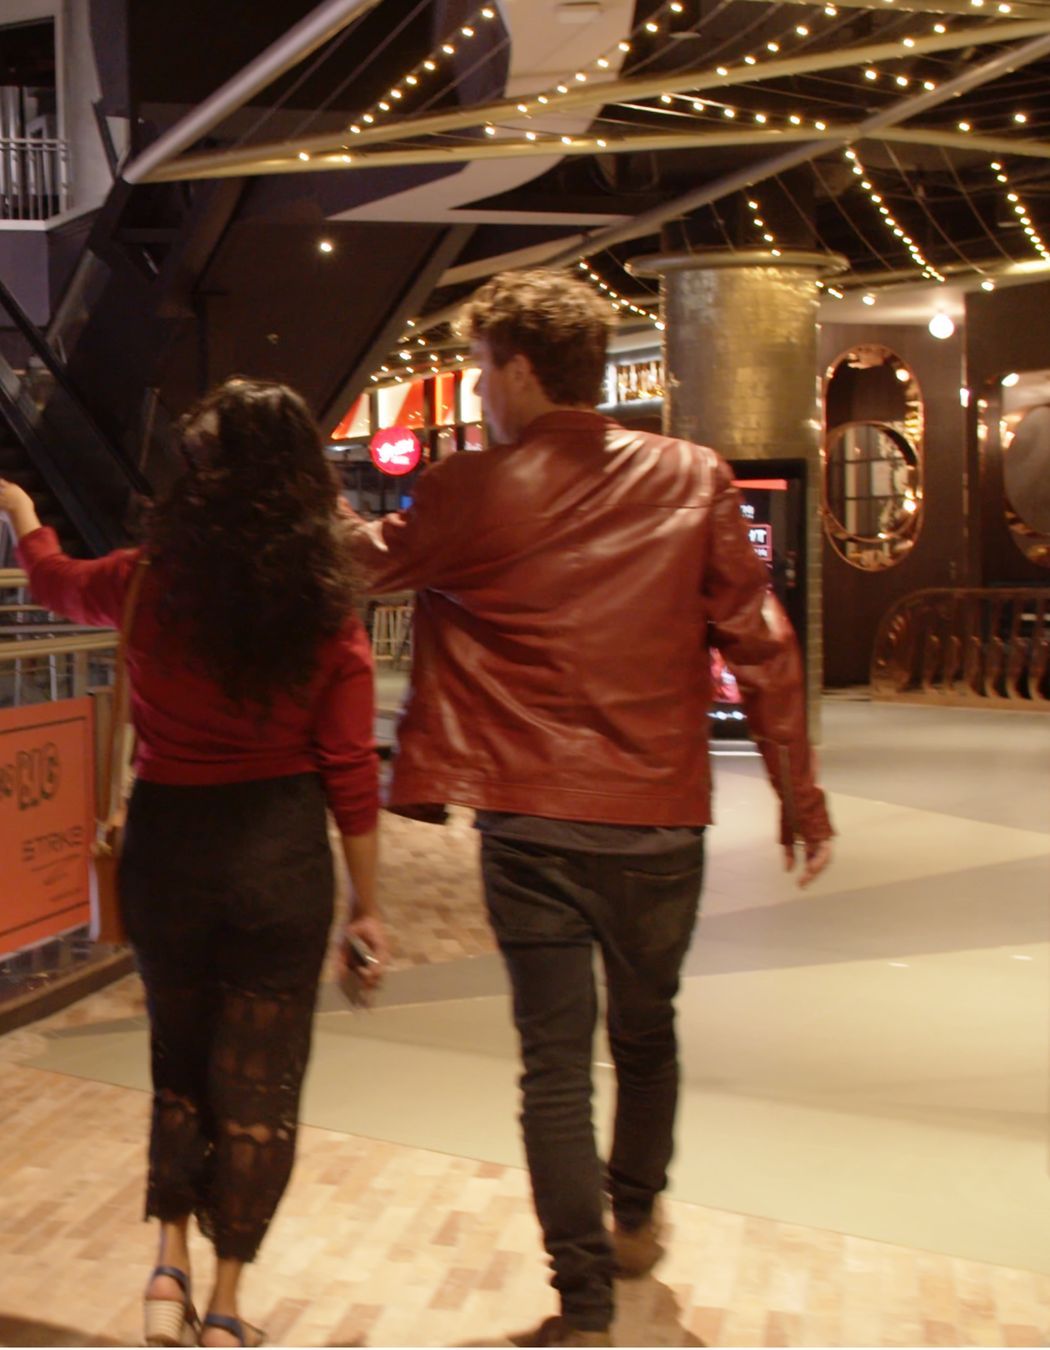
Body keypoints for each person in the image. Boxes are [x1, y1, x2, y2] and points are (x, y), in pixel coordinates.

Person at [344, 269, 833, 1348]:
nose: (476, 393)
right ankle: (636, 1210)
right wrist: (798, 788)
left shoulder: (471, 489)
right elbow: (763, 640)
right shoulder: (695, 476)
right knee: (648, 1030)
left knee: (555, 1067)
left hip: (531, 824)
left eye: (478, 369)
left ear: (518, 368)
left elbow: (363, 566)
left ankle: (586, 1306)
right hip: (663, 817)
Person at [0, 378, 387, 1349]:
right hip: (278, 853)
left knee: (178, 1060)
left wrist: (22, 515)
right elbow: (348, 770)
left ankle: (164, 1268)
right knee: (259, 1086)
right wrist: (368, 910)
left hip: (168, 847)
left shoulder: (146, 579)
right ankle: (223, 1307)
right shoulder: (325, 606)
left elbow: (53, 581)